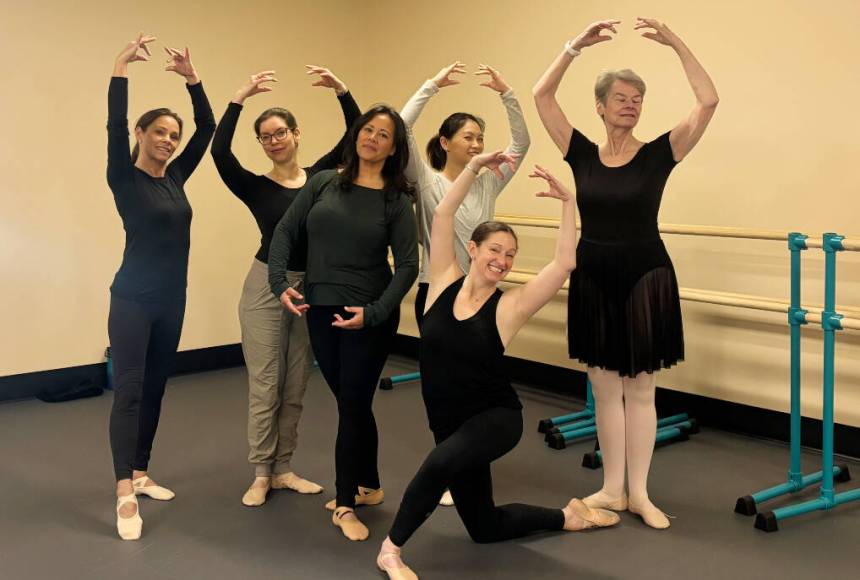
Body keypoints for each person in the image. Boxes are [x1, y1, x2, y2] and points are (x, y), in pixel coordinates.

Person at [375, 151, 620, 580]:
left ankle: (391, 551)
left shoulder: (510, 306)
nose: (503, 261)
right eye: (495, 249)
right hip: (448, 422)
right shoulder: (442, 284)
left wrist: (568, 204)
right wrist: (473, 167)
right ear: (472, 249)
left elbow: (565, 262)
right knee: (484, 528)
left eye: (511, 255)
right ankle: (568, 517)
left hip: (496, 418)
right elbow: (443, 213)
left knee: (437, 466)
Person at [533, 17, 719, 529]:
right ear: (600, 106)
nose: (631, 103)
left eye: (637, 97)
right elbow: (541, 95)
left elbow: (708, 101)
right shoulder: (582, 155)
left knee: (640, 390)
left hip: (645, 276)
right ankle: (612, 488)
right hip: (593, 275)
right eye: (621, 96)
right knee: (603, 387)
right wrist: (573, 46)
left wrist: (677, 41)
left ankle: (640, 493)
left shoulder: (662, 152)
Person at [211, 66, 361, 507]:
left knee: (296, 381)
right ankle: (261, 472)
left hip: (308, 289)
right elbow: (220, 154)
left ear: (296, 134)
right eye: (266, 136)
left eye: (280, 132)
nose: (274, 140)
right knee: (266, 380)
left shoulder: (320, 178)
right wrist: (238, 99)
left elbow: (354, 137)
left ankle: (284, 468)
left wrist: (343, 90)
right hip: (264, 286)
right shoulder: (255, 187)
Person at [268, 105, 419, 541]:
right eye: (367, 129)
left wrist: (374, 313)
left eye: (384, 134)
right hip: (320, 311)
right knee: (353, 404)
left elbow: (408, 265)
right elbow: (285, 232)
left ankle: (346, 502)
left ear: (394, 148)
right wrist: (279, 282)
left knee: (351, 405)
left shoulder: (395, 199)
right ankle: (369, 485)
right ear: (356, 135)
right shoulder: (323, 183)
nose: (372, 137)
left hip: (367, 317)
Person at [106, 33, 215, 540]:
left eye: (174, 134)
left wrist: (193, 80)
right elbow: (112, 127)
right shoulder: (124, 179)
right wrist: (120, 69)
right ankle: (124, 491)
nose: (169, 140)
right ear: (141, 133)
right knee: (128, 391)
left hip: (173, 300)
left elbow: (208, 128)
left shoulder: (176, 178)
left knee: (155, 389)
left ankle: (142, 470)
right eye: (161, 132)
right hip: (132, 299)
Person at [403, 62, 529, 327]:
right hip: (435, 289)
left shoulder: (489, 183)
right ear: (445, 142)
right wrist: (432, 86)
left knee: (473, 365)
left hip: (479, 288)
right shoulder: (427, 181)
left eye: (480, 139)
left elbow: (521, 143)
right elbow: (402, 127)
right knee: (438, 367)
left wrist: (508, 94)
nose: (476, 145)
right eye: (468, 137)